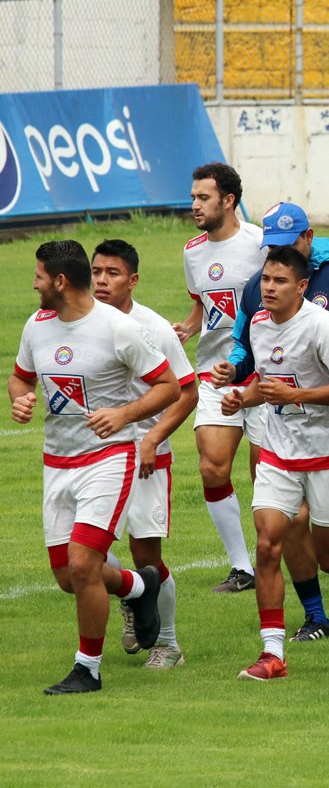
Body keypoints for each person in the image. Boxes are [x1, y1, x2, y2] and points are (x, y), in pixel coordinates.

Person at [213, 201, 329, 643]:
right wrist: (241, 394)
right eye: (266, 276)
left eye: (279, 280)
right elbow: (262, 377)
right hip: (279, 451)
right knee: (272, 540)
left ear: (303, 284)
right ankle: (276, 649)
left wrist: (297, 395)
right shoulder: (257, 318)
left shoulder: (327, 321)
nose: (267, 287)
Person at [11, 240, 180, 694]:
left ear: (60, 282)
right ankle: (137, 588)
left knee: (84, 564)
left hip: (109, 459)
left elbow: (170, 387)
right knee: (68, 577)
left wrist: (124, 416)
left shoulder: (117, 328)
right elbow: (20, 375)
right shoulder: (37, 325)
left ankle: (87, 669)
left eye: (39, 276)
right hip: (56, 462)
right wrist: (20, 398)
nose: (34, 283)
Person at [92, 240, 199, 670]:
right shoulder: (79, 323)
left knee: (146, 556)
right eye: (97, 271)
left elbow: (186, 391)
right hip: (95, 457)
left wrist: (153, 437)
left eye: (112, 273)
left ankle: (168, 643)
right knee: (84, 550)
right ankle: (133, 592)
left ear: (133, 280)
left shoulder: (152, 327)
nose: (102, 280)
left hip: (145, 457)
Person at [176, 162, 266, 593]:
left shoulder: (261, 243)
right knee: (213, 467)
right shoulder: (193, 251)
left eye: (203, 198)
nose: (195, 205)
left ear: (228, 201)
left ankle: (275, 556)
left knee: (266, 478)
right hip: (214, 374)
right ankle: (242, 567)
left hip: (265, 377)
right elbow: (203, 303)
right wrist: (191, 326)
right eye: (193, 197)